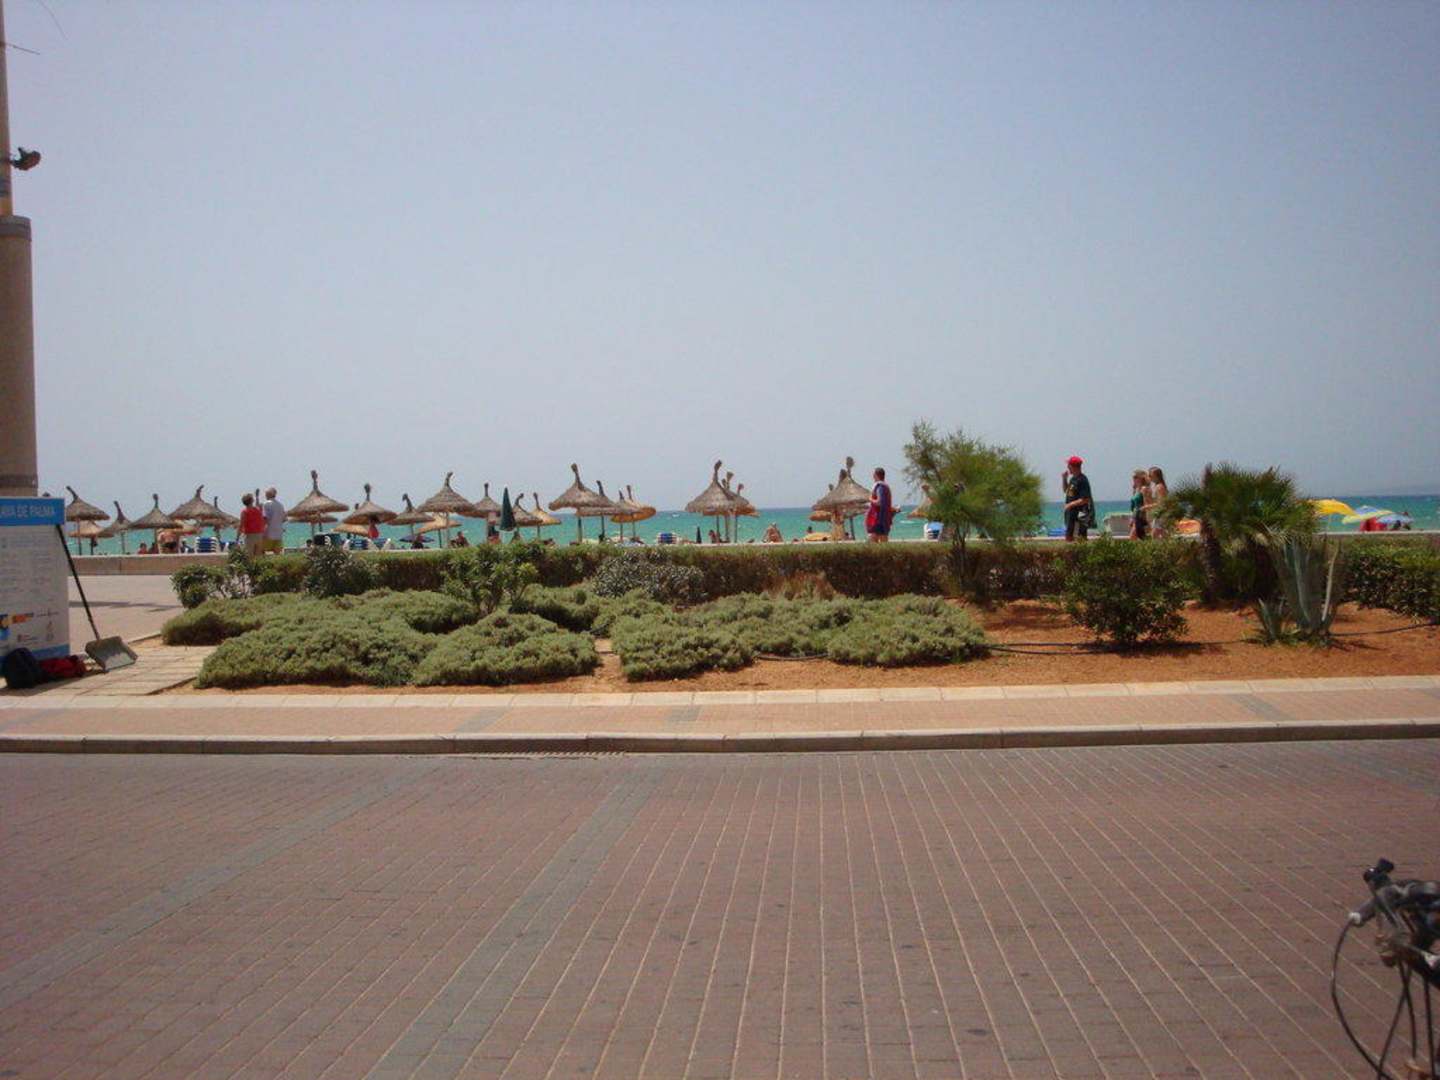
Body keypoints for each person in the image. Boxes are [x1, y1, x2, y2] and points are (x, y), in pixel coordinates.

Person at [1062, 456, 1094, 542]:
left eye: (1069, 465)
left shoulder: (1082, 480)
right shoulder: (1073, 479)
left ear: (1074, 466)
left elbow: (1085, 499)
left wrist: (1070, 504)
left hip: (1081, 512)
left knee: (1081, 537)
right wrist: (1064, 479)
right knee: (1069, 535)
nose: (1067, 467)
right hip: (1072, 513)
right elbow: (1066, 490)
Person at [866, 467, 894, 543]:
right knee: (883, 538)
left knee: (872, 537)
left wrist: (870, 499)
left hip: (877, 518)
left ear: (876, 475)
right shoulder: (886, 487)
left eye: (873, 474)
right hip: (885, 518)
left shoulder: (879, 486)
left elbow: (879, 502)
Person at [1143, 466, 1169, 538]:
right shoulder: (1158, 486)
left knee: (1155, 533)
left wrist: (1146, 507)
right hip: (1159, 513)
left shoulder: (1159, 487)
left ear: (1156, 476)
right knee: (1160, 533)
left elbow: (1161, 503)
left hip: (1161, 514)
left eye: (1150, 475)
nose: (1149, 477)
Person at [262, 487, 286, 554]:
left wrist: (263, 531)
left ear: (269, 495)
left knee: (262, 551)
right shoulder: (280, 505)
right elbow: (284, 519)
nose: (265, 496)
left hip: (269, 532)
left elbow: (265, 518)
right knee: (277, 554)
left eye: (266, 494)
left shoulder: (266, 504)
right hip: (279, 533)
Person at [1129, 469, 1150, 540]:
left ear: (1141, 478)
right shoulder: (1135, 489)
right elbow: (1133, 505)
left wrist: (1146, 517)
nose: (1133, 479)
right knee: (1136, 537)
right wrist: (1132, 517)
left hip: (1141, 516)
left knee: (1135, 536)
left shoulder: (1144, 489)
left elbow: (1146, 503)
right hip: (1135, 515)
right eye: (1133, 477)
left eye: (1135, 477)